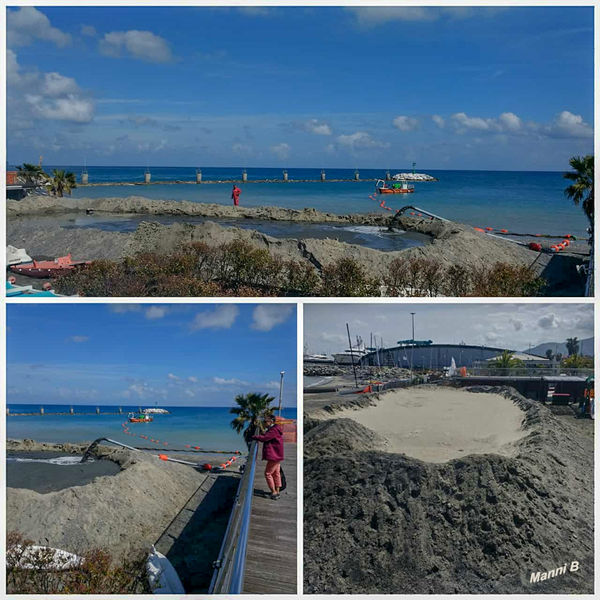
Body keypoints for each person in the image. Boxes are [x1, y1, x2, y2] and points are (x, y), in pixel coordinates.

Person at [252, 413, 284, 500]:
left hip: (274, 455)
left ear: (271, 422)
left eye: (265, 421)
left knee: (268, 473)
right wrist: (262, 433)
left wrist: (254, 437)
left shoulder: (273, 430)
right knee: (276, 473)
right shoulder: (275, 429)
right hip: (277, 455)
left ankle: (273, 493)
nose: (264, 423)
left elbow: (265, 438)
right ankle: (277, 492)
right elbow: (267, 436)